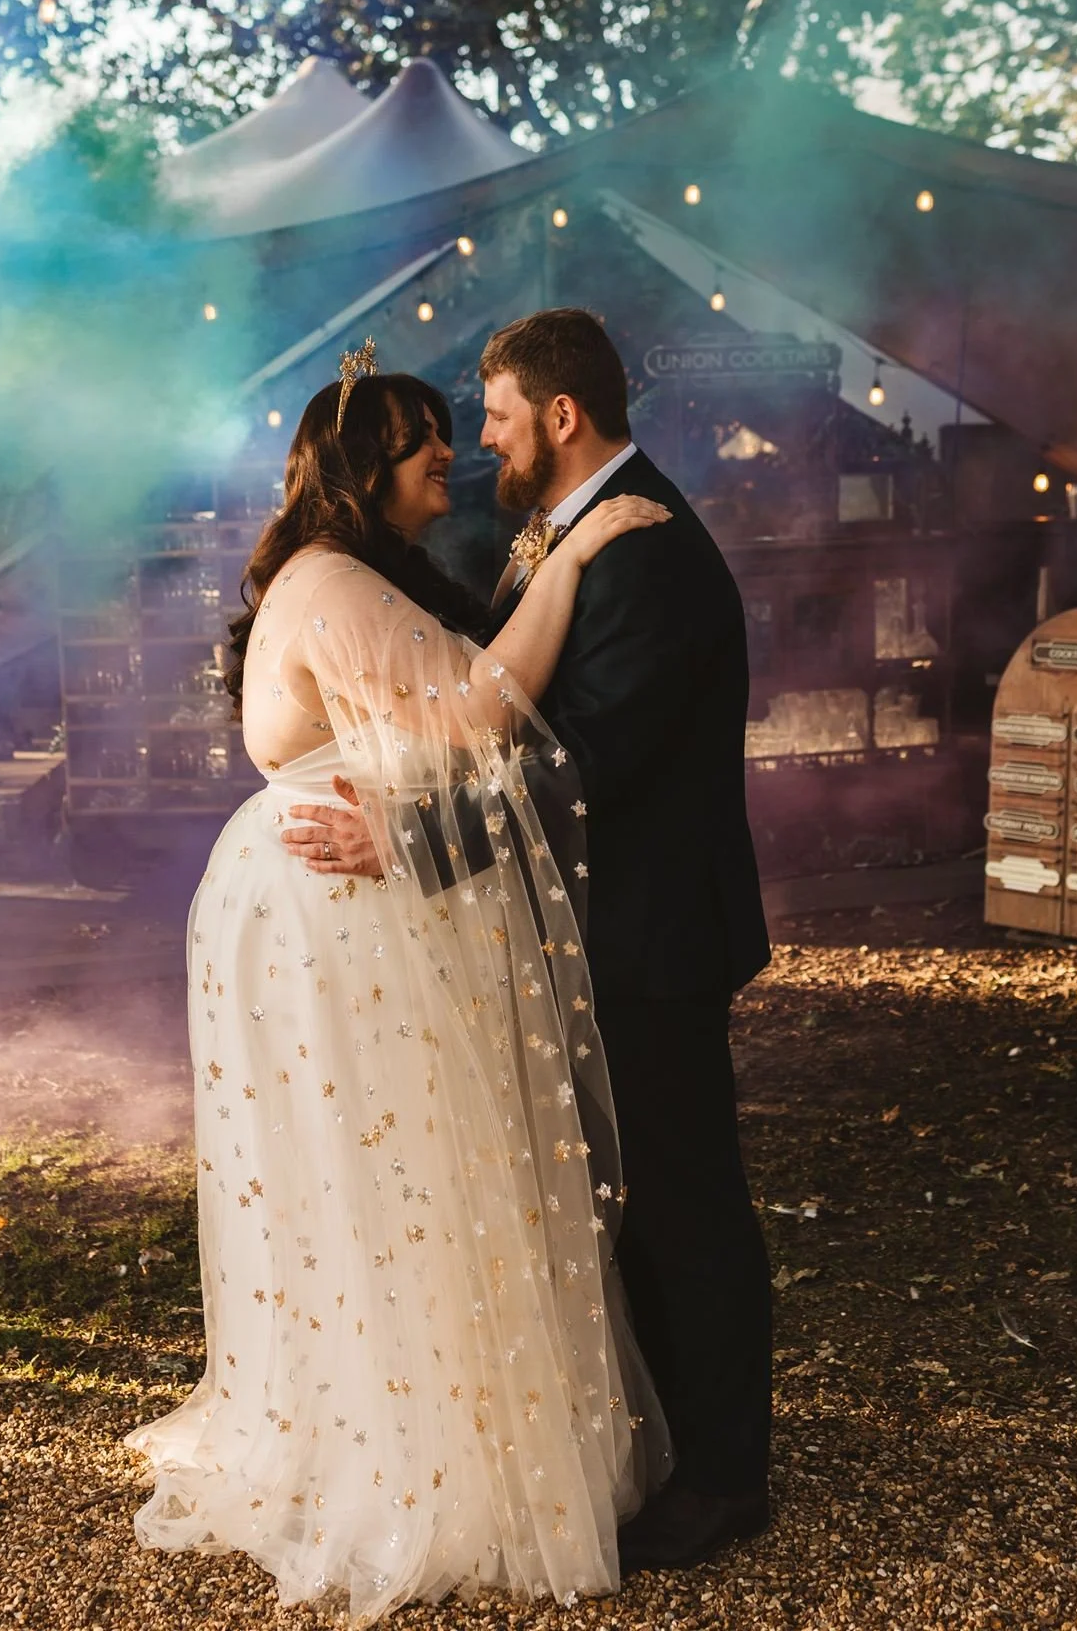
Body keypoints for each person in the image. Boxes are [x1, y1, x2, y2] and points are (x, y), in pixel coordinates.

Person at [126, 345, 673, 1624]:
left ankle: (434, 1426)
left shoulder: (347, 575)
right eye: (431, 441)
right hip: (342, 907)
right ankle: (415, 1457)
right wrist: (577, 559)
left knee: (401, 1165)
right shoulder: (325, 583)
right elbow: (480, 707)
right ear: (374, 464)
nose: (453, 457)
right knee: (400, 1168)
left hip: (352, 895)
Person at [286, 309, 773, 1572]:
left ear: (560, 415)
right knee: (618, 1200)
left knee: (684, 1200)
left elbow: (584, 759)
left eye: (495, 413)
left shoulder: (647, 550)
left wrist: (411, 842)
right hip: (587, 922)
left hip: (650, 931)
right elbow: (486, 701)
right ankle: (664, 1442)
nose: (481, 436)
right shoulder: (557, 533)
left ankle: (726, 1476)